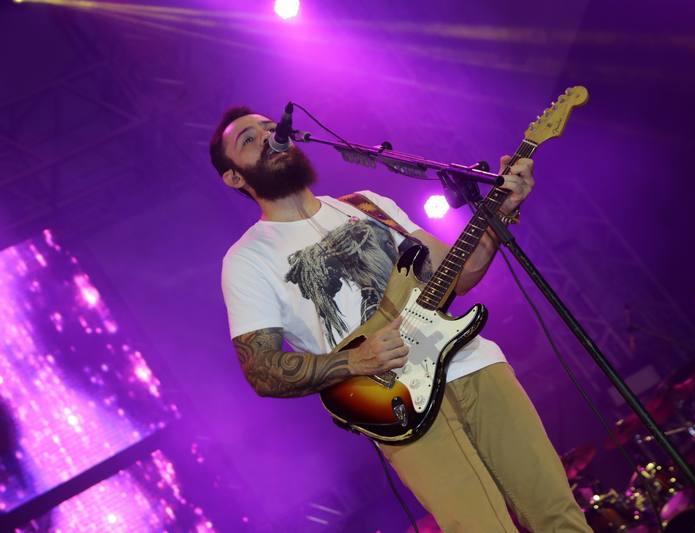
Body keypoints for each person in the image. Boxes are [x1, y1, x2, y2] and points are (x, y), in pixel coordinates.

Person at [210, 106, 590, 532]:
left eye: (269, 127)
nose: (268, 137)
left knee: (559, 516)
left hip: (475, 366)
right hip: (396, 405)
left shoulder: (367, 205)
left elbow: (461, 273)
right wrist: (356, 361)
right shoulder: (248, 259)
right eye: (249, 139)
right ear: (235, 177)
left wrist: (500, 212)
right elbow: (261, 370)